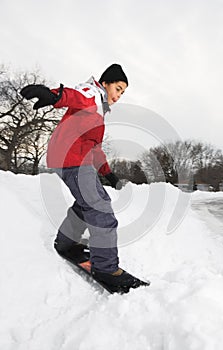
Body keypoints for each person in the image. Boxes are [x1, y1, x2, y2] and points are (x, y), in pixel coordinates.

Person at [20, 64, 143, 289]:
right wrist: (55, 95)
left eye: (123, 92)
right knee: (100, 209)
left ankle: (66, 242)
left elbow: (94, 148)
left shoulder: (99, 109)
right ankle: (106, 268)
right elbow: (76, 97)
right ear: (105, 83)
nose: (119, 96)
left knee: (86, 203)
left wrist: (109, 174)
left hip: (73, 159)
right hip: (72, 160)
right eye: (118, 88)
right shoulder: (93, 94)